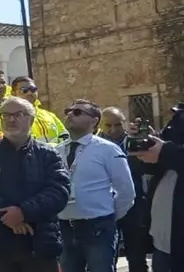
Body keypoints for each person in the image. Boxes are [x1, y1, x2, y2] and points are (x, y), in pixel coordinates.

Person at [0, 97, 70, 272]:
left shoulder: (48, 155)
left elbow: (59, 191)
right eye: (5, 115)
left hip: (40, 243)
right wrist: (10, 215)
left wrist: (23, 211)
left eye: (18, 114)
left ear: (31, 119)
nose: (11, 119)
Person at [56, 99, 136, 272]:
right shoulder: (57, 150)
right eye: (68, 111)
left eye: (77, 112)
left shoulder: (107, 150)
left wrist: (107, 216)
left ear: (94, 121)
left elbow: (126, 192)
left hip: (98, 228)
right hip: (64, 227)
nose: (70, 115)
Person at [128, 105, 184, 272]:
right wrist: (148, 142)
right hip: (163, 240)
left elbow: (170, 153)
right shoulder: (179, 117)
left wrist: (165, 151)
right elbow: (153, 166)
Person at [98, 107, 149, 272]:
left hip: (134, 203)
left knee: (136, 253)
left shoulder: (135, 142)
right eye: (108, 125)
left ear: (125, 123)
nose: (113, 130)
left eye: (118, 125)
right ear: (100, 124)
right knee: (106, 256)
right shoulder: (93, 144)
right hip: (104, 204)